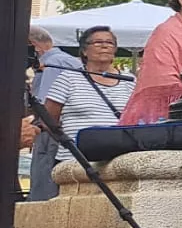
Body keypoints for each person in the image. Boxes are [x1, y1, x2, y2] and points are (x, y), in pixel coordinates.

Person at [35, 25, 132, 165]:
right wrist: (68, 144)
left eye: (109, 43)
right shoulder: (67, 78)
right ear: (85, 50)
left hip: (118, 161)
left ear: (115, 50)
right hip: (75, 160)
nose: (104, 46)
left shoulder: (129, 81)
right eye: (97, 42)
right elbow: (48, 121)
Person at [21, 26, 82, 201]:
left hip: (51, 130)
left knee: (44, 179)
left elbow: (44, 102)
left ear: (32, 45)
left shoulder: (53, 63)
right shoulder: (68, 60)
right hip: (65, 128)